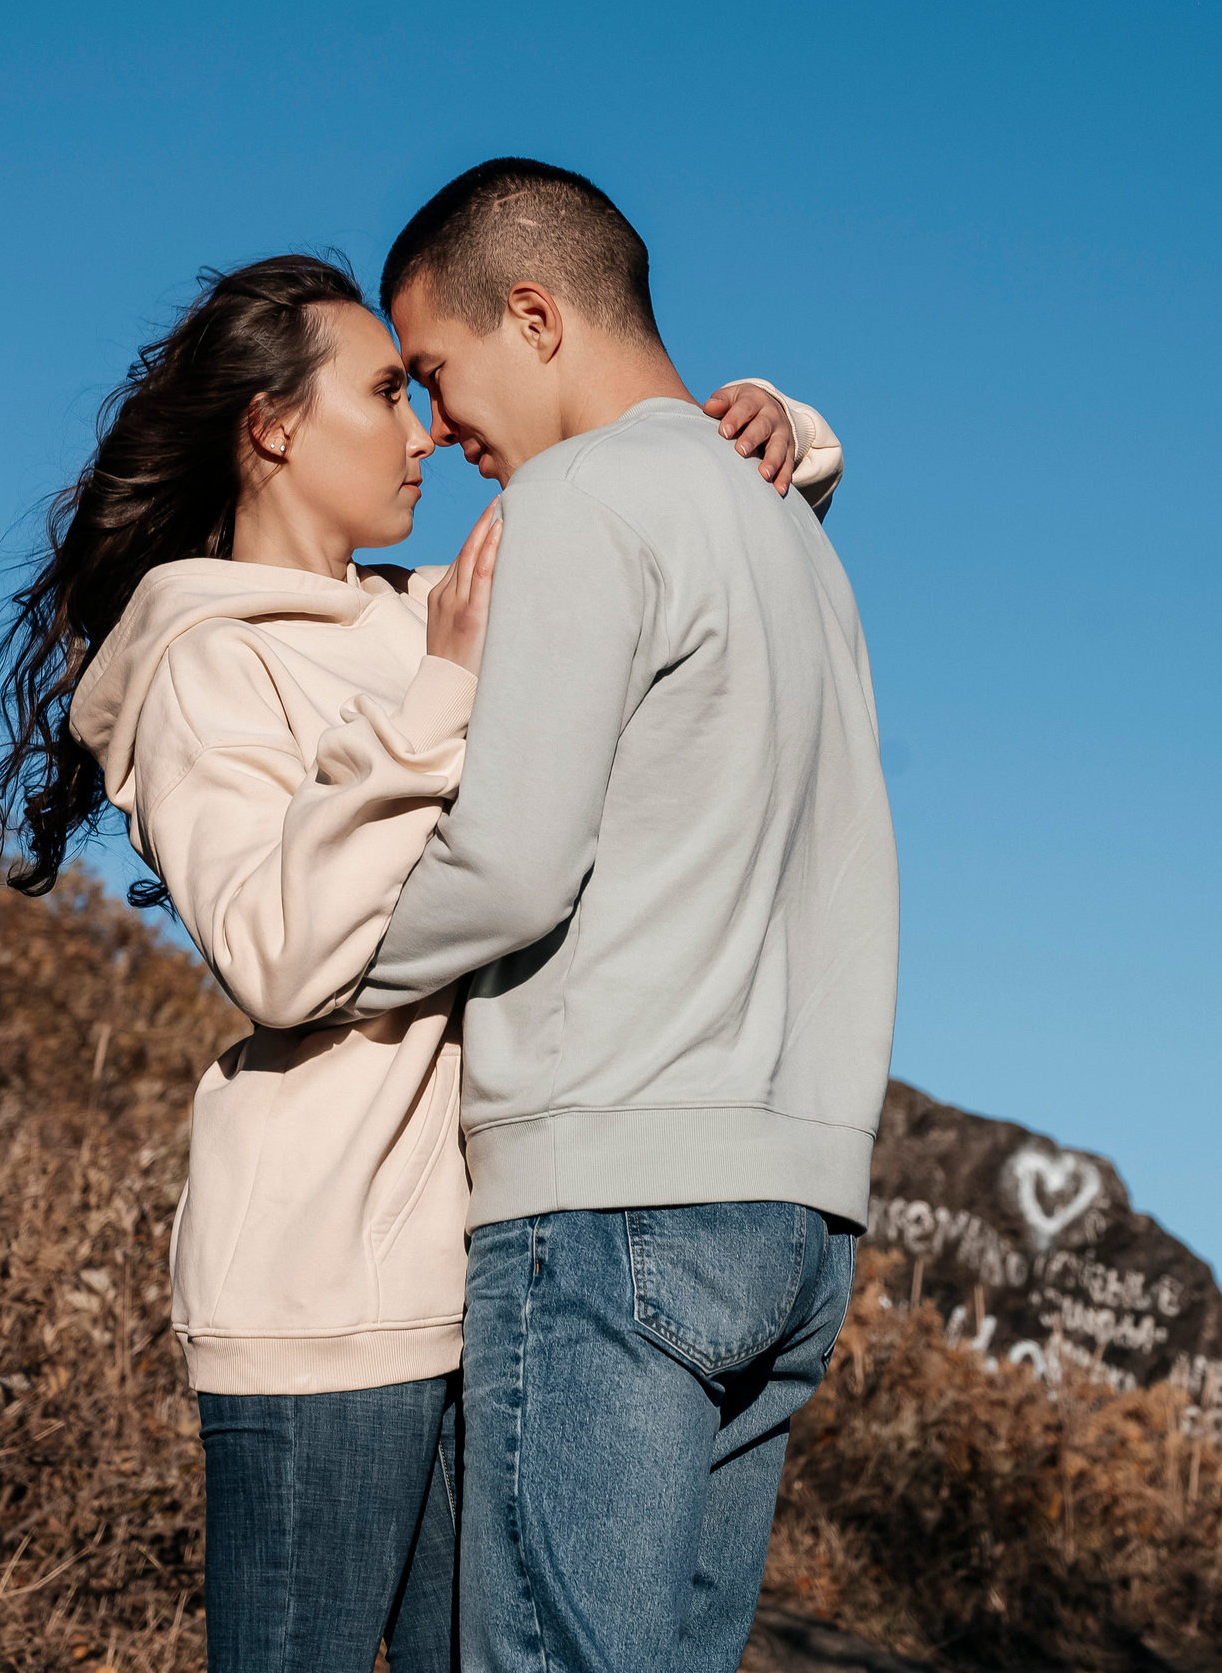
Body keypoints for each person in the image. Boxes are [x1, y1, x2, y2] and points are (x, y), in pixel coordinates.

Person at [0, 251, 843, 1673]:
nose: (426, 428)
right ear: (273, 426)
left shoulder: (420, 604)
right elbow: (278, 952)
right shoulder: (201, 661)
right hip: (324, 1288)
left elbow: (660, 546)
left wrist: (770, 426)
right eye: (386, 391)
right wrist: (439, 693)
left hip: (487, 1270)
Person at [350, 161, 899, 1673]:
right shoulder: (791, 530)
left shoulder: (579, 501)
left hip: (611, 1200)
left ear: (534, 315)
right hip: (798, 1218)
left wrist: (323, 965)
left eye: (441, 376)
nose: (443, 431)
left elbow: (514, 867)